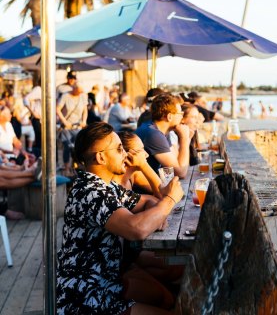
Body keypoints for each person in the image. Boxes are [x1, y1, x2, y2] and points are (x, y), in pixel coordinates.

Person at [57, 122, 183, 314]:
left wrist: (157, 214)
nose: (125, 154)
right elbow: (136, 229)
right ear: (100, 157)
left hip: (107, 281)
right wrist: (170, 200)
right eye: (118, 149)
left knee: (165, 298)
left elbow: (146, 203)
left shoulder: (107, 187)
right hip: (86, 296)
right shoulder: (91, 192)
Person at [135, 94, 190, 179]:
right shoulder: (154, 134)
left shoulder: (162, 131)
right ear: (169, 116)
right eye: (180, 113)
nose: (182, 117)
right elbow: (180, 172)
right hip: (139, 189)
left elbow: (176, 161)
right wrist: (185, 139)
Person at [115, 131, 162, 198]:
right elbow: (162, 194)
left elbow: (161, 192)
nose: (147, 155)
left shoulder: (134, 174)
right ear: (126, 154)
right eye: (140, 150)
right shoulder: (114, 184)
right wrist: (143, 164)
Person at [57, 85, 88, 176]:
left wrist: (84, 121)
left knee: (78, 147)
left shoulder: (82, 96)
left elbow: (85, 110)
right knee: (67, 146)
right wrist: (65, 121)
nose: (79, 94)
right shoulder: (65, 96)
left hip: (77, 126)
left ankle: (77, 166)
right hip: (67, 126)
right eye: (78, 92)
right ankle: (66, 168)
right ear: (73, 90)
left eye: (80, 92)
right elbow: (58, 109)